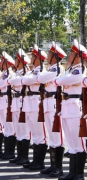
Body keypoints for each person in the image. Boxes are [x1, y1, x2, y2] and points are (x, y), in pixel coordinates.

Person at [57, 40, 86, 180]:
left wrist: (62, 77)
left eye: (71, 54)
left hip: (75, 109)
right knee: (72, 143)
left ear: (78, 56)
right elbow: (60, 80)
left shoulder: (80, 70)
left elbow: (61, 81)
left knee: (79, 143)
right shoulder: (70, 70)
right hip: (66, 108)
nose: (69, 56)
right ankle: (72, 173)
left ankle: (79, 175)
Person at [37, 42, 65, 177]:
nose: (47, 56)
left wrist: (42, 76)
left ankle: (58, 167)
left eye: (49, 54)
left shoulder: (57, 69)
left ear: (54, 56)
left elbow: (40, 78)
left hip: (54, 104)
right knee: (51, 136)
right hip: (48, 103)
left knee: (57, 137)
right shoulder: (50, 69)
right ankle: (53, 165)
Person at [21, 45, 48, 170]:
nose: (31, 58)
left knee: (40, 134)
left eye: (33, 56)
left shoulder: (41, 71)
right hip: (29, 103)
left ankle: (40, 162)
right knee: (35, 133)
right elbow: (24, 80)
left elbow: (25, 81)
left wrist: (27, 79)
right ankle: (35, 160)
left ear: (37, 58)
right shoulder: (32, 71)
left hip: (36, 103)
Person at [0, 51, 16, 159]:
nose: (1, 63)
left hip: (7, 100)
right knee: (5, 126)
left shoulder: (10, 73)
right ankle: (6, 150)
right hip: (2, 100)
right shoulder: (3, 74)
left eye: (2, 61)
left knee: (9, 127)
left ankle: (10, 152)